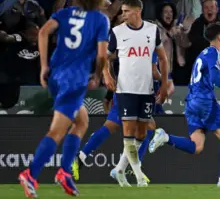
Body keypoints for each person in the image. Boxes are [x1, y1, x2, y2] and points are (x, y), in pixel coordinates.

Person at [18, 0, 110, 198]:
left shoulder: (65, 13)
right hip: (74, 81)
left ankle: (65, 173)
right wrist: (97, 76)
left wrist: (43, 66)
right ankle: (31, 174)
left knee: (82, 121)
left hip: (56, 77)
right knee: (57, 132)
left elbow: (42, 32)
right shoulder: (100, 20)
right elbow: (101, 55)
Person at [149, 23, 220, 189]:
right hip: (204, 101)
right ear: (219, 37)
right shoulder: (214, 52)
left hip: (192, 103)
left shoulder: (203, 53)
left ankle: (165, 137)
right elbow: (215, 78)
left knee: (197, 147)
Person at [71, 53, 175, 184]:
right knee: (146, 126)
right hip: (133, 91)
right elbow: (153, 71)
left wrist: (108, 74)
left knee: (113, 126)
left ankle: (83, 157)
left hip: (126, 88)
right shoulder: (149, 42)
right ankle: (133, 166)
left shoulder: (137, 40)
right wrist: (165, 80)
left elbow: (107, 57)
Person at [107, 0, 170, 187]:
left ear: (137, 11)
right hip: (125, 89)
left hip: (146, 89)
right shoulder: (117, 32)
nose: (122, 14)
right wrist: (106, 75)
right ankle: (139, 175)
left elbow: (163, 58)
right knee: (128, 131)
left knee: (142, 133)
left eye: (126, 11)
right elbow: (106, 58)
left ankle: (119, 169)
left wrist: (165, 83)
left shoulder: (152, 31)